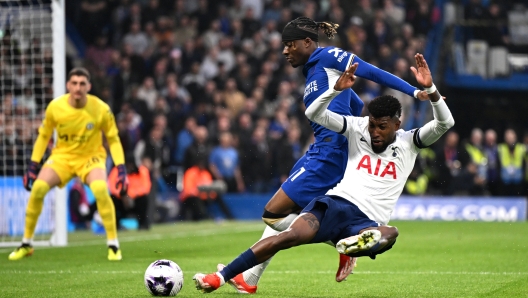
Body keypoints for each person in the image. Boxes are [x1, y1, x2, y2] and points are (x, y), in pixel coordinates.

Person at [193, 53, 454, 293]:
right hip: (334, 204)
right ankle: (220, 277)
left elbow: (445, 123)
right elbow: (314, 114)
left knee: (390, 234)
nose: (374, 132)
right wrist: (334, 90)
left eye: (382, 127)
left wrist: (430, 90)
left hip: (367, 220)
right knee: (288, 236)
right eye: (372, 124)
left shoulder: (411, 142)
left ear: (397, 124)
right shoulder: (357, 127)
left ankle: (354, 244)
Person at [225, 16, 430, 293]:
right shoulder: (312, 70)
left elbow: (371, 71)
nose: (285, 51)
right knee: (296, 214)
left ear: (307, 42)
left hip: (329, 155)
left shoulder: (328, 56)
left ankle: (341, 240)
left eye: (290, 45)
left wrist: (414, 90)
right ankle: (249, 279)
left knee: (273, 214)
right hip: (322, 150)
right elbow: (355, 103)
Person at [8, 67, 128, 261]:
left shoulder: (101, 109)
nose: (78, 88)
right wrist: (33, 166)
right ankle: (26, 243)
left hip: (91, 157)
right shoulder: (55, 107)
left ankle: (113, 245)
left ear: (89, 86)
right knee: (38, 188)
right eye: (74, 83)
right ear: (68, 85)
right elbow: (43, 136)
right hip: (62, 157)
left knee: (99, 189)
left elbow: (113, 139)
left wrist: (121, 168)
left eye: (82, 84)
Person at [108, 155, 151, 230]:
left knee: (144, 199)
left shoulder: (142, 171)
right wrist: (122, 195)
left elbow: (146, 187)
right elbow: (111, 186)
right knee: (112, 199)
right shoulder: (116, 171)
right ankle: (115, 225)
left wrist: (131, 195)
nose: (129, 166)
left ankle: (143, 224)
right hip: (121, 199)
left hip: (136, 199)